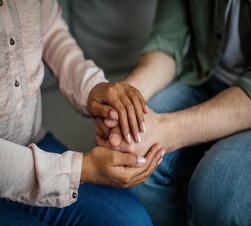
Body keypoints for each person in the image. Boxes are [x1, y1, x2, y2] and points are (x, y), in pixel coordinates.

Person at [0, 0, 164, 225]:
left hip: (34, 142)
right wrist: (83, 169)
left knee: (134, 221)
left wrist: (92, 88)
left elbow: (49, 32)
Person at [95, 0, 251, 225]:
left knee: (216, 191)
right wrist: (125, 101)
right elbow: (166, 42)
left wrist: (167, 130)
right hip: (202, 80)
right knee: (132, 157)